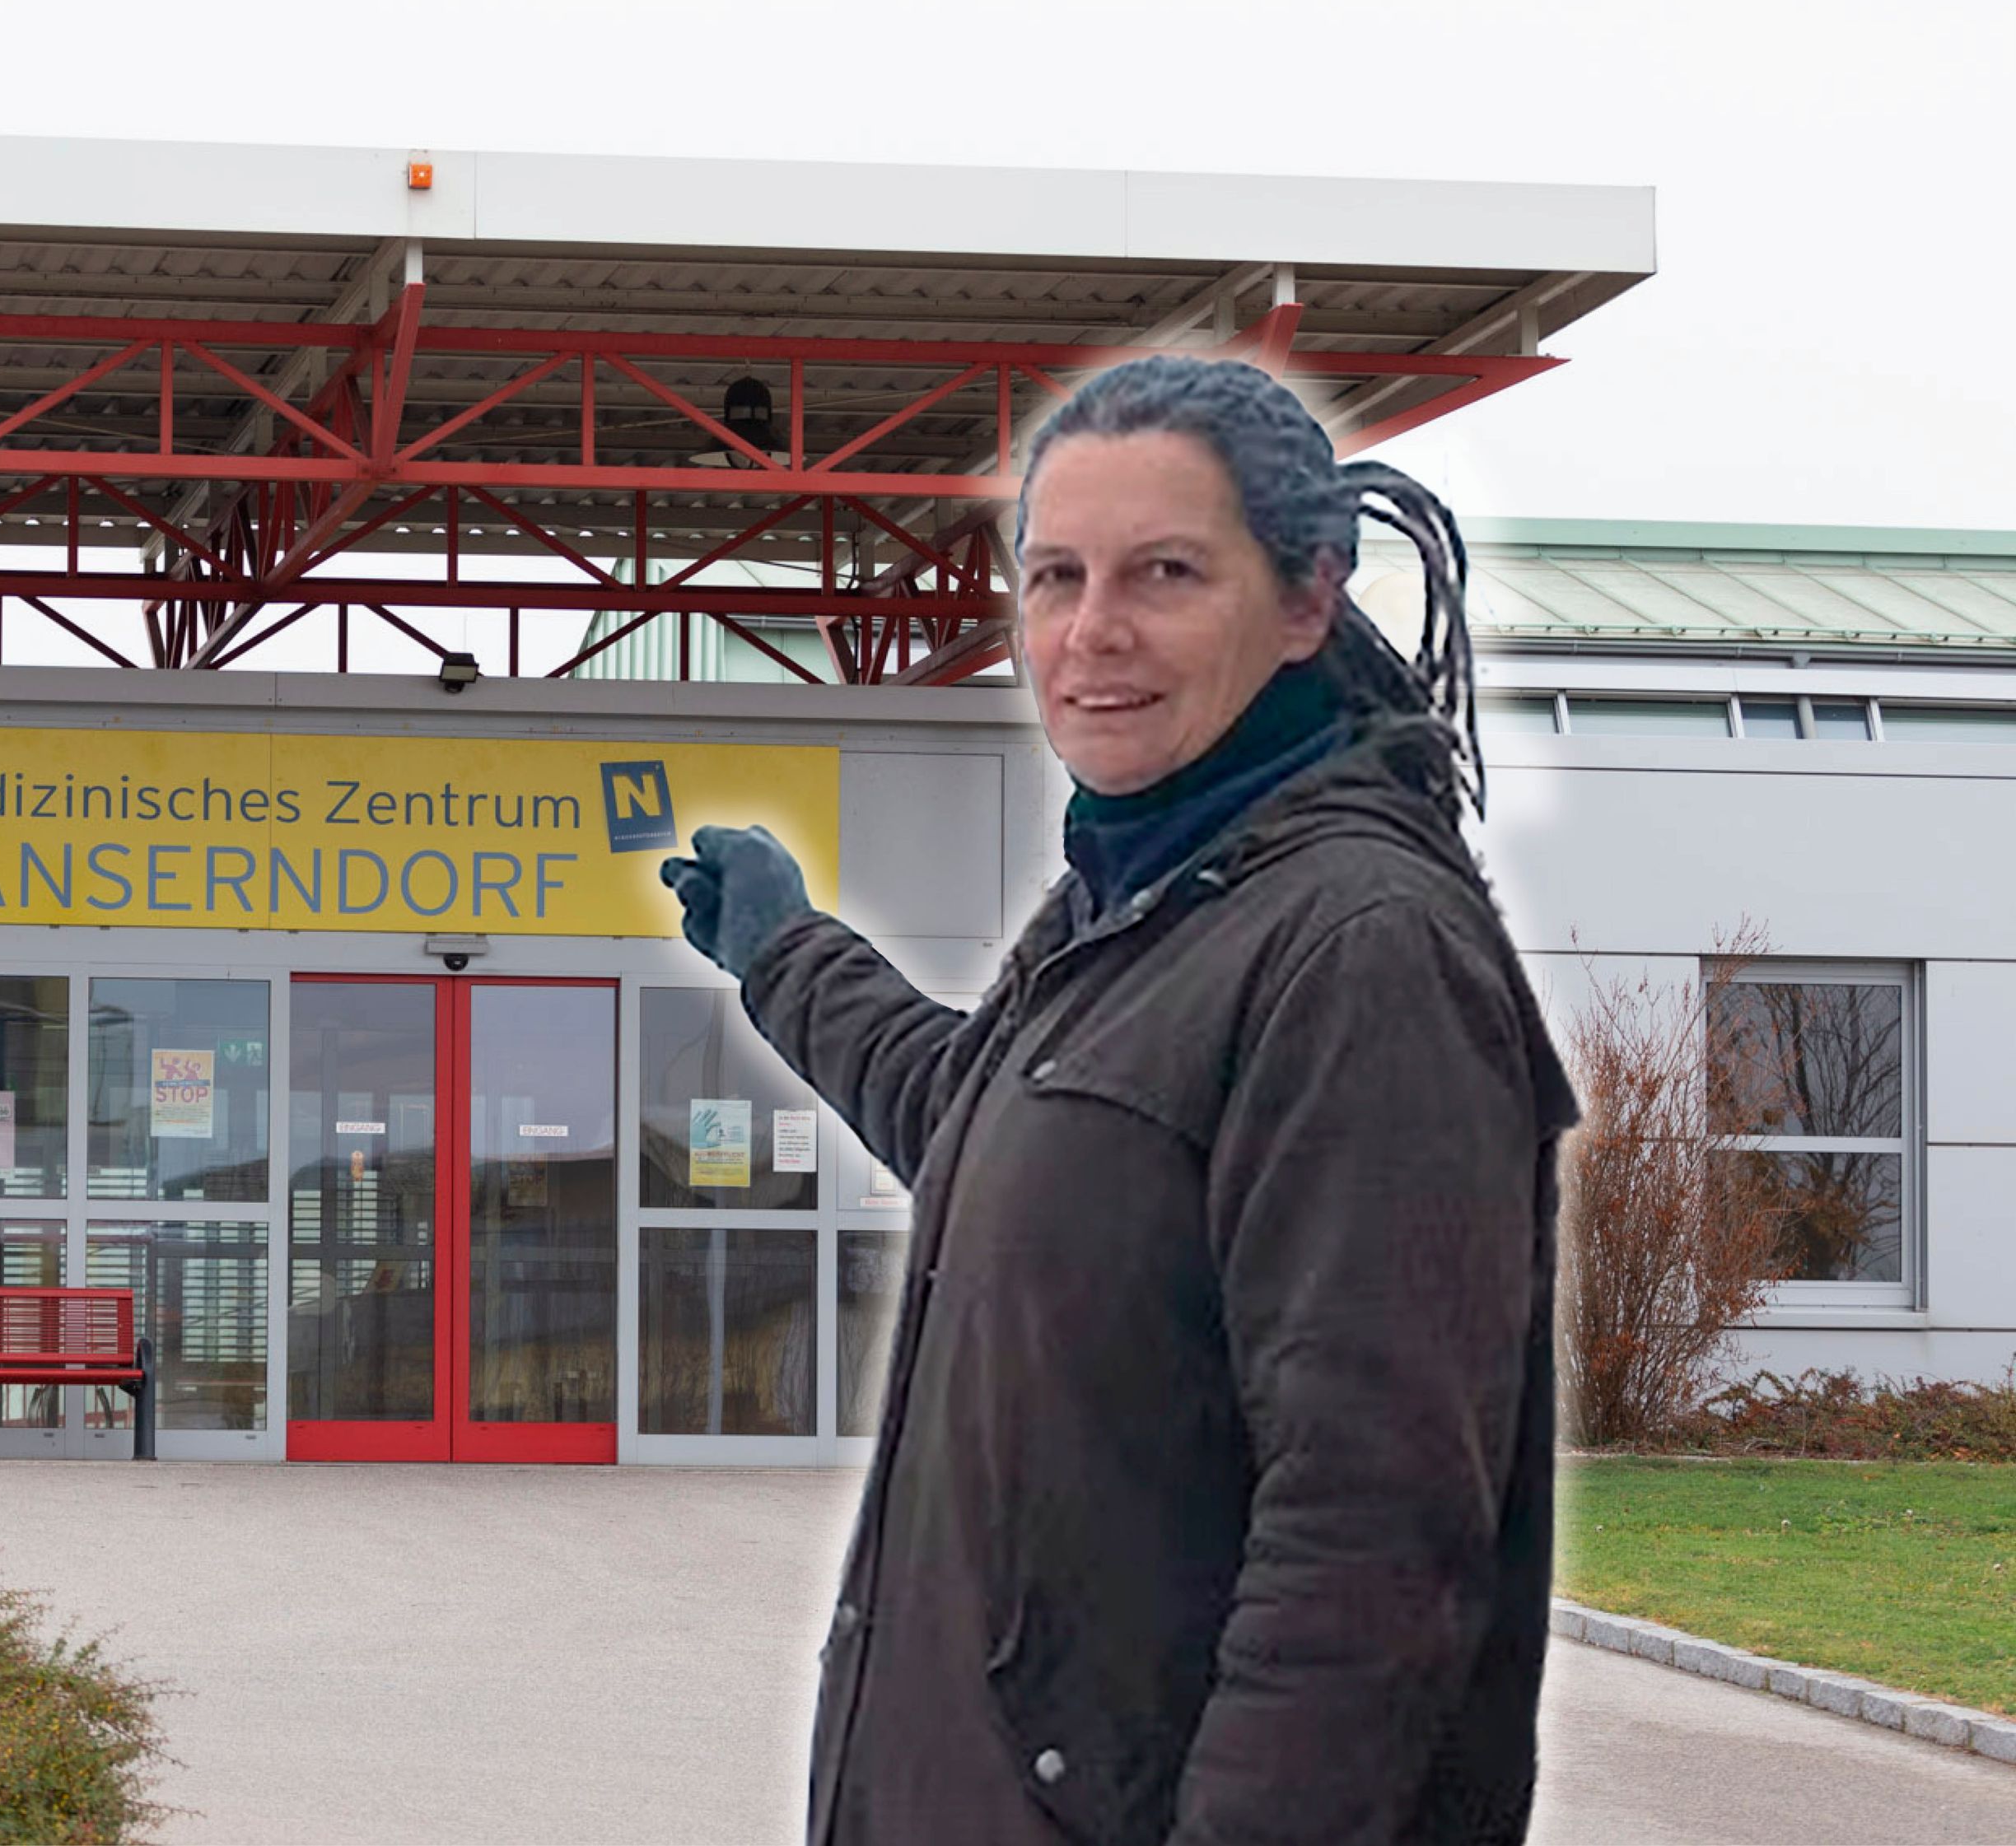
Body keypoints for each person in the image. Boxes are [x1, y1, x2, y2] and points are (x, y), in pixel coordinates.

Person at [662, 356, 1579, 1845]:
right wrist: (785, 955)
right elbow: (983, 1124)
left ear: (1304, 601)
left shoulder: (1359, 949)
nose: (1093, 633)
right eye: (1055, 576)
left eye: (1165, 572)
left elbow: (1369, 1545)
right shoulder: (1143, 902)